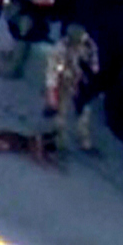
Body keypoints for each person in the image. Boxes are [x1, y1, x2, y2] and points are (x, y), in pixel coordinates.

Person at [43, 24, 101, 152]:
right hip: (64, 82)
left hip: (80, 83)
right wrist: (52, 92)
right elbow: (52, 71)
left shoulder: (89, 45)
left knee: (84, 112)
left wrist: (90, 72)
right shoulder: (61, 49)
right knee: (61, 113)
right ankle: (59, 141)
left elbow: (94, 63)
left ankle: (84, 141)